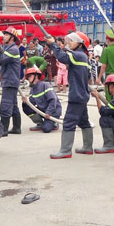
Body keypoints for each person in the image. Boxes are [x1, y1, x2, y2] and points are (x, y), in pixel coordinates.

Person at [46, 31, 94, 159]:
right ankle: (88, 147)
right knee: (84, 121)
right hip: (82, 94)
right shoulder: (84, 57)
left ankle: (65, 150)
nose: (70, 43)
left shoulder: (77, 55)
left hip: (77, 95)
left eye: (72, 41)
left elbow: (62, 57)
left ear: (81, 44)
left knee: (68, 122)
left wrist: (53, 44)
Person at [0, 26, 22, 135]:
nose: (3, 36)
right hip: (10, 80)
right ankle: (16, 128)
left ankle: (3, 129)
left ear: (12, 37)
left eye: (6, 35)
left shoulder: (13, 49)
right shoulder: (10, 48)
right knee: (13, 105)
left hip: (10, 81)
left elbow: (1, 60)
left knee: (5, 105)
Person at [21, 66, 61, 133]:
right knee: (27, 108)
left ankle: (54, 123)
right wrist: (25, 102)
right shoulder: (32, 90)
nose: (28, 78)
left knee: (46, 129)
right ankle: (40, 123)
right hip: (43, 111)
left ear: (36, 76)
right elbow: (32, 105)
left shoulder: (45, 85)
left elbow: (53, 100)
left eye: (30, 76)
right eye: (28, 77)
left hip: (53, 111)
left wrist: (49, 112)